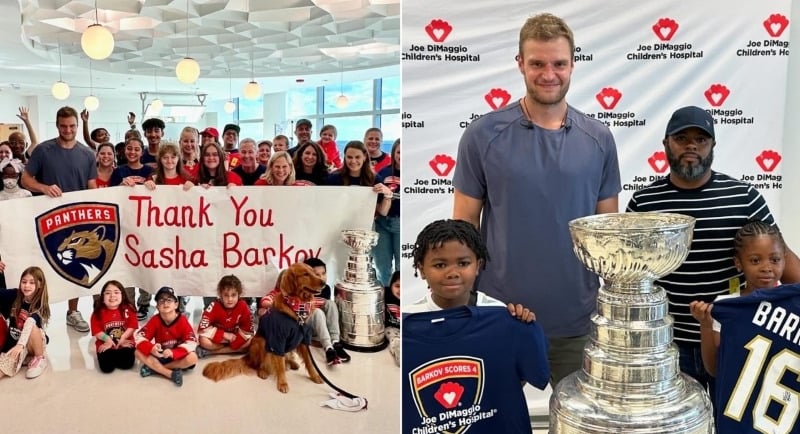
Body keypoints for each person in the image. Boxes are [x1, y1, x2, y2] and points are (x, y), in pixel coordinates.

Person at [451, 13, 620, 386]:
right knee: (493, 420)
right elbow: (463, 229)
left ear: (573, 64)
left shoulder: (599, 139)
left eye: (559, 64)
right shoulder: (482, 135)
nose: (549, 74)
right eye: (537, 64)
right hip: (500, 314)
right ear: (520, 65)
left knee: (575, 422)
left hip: (576, 321)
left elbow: (608, 235)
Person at [627, 105, 800, 396]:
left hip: (733, 338)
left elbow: (782, 255)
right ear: (666, 144)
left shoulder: (744, 198)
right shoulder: (644, 203)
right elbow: (629, 273)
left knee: (731, 421)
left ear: (713, 146)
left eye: (701, 139)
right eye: (682, 138)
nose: (692, 145)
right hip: (668, 343)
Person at [402, 219, 548, 434]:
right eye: (440, 265)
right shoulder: (406, 324)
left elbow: (513, 381)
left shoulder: (505, 317)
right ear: (421, 269)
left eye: (463, 263)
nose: (452, 273)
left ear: (478, 266)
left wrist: (521, 327)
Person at [21, 106, 98, 333]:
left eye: (72, 126)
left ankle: (72, 311)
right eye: (64, 126)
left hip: (76, 220)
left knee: (72, 265)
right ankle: (36, 313)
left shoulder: (87, 154)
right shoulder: (43, 151)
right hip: (48, 219)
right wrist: (43, 187)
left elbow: (92, 185)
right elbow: (25, 179)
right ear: (57, 125)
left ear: (77, 125)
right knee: (45, 266)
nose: (68, 130)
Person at [690, 220, 786, 380]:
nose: (766, 267)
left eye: (774, 260)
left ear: (784, 259)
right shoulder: (726, 305)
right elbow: (714, 368)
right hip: (736, 399)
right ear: (738, 263)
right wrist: (705, 326)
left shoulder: (793, 302)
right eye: (755, 260)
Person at [134, 286, 198, 387]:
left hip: (177, 356)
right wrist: (151, 348)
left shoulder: (182, 320)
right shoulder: (155, 320)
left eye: (169, 300)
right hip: (162, 355)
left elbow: (191, 342)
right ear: (157, 307)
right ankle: (170, 373)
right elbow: (138, 337)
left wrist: (174, 352)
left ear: (176, 305)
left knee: (193, 358)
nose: (165, 303)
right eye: (161, 300)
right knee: (137, 352)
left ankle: (155, 369)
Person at [0, 267, 51, 379]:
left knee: (31, 325)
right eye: (24, 282)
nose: (27, 285)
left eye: (32, 283)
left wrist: (20, 345)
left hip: (32, 343)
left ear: (40, 285)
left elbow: (30, 322)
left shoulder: (40, 305)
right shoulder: (15, 295)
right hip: (15, 342)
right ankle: (24, 358)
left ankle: (39, 358)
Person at [304, 257, 350, 362]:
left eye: (324, 273)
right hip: (308, 329)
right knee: (317, 311)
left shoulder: (326, 289)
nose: (322, 277)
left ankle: (335, 342)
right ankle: (328, 348)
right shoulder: (303, 289)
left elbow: (328, 313)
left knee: (331, 304)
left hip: (322, 328)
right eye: (317, 275)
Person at [196, 275, 253, 359]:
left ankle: (210, 352)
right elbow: (203, 328)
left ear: (239, 295)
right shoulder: (214, 305)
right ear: (220, 295)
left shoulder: (243, 306)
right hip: (220, 339)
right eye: (226, 295)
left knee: (250, 342)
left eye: (233, 295)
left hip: (235, 337)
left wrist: (235, 339)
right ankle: (233, 349)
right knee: (203, 340)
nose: (230, 299)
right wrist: (224, 335)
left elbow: (247, 329)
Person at [90, 280, 138, 373]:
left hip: (125, 342)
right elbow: (97, 331)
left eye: (116, 292)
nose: (112, 296)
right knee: (106, 368)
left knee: (127, 364)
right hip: (106, 344)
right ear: (102, 297)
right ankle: (113, 355)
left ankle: (118, 355)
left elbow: (132, 326)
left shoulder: (129, 309)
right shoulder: (98, 313)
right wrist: (107, 340)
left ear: (122, 295)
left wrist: (123, 337)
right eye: (108, 293)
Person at [373, 138, 400, 286]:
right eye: (398, 152)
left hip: (401, 223)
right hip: (382, 223)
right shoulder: (383, 172)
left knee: (401, 267)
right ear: (394, 153)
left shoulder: (414, 174)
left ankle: (399, 301)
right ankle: (386, 299)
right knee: (382, 266)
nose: (401, 156)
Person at [384, 270, 400, 367]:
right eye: (397, 286)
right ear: (391, 286)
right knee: (395, 341)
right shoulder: (386, 293)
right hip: (391, 328)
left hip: (406, 329)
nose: (400, 290)